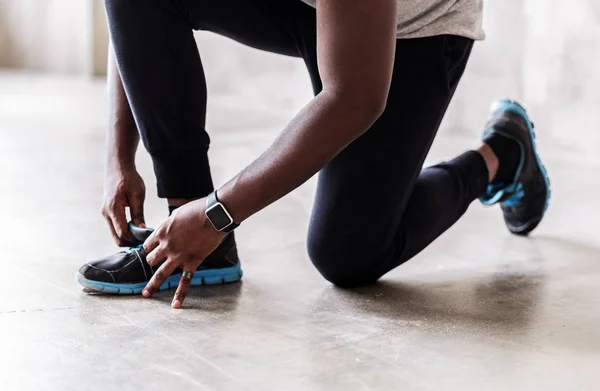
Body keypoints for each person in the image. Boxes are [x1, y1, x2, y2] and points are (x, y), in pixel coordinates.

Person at [77, 0, 551, 308]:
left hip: (414, 30)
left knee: (346, 255)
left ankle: (500, 157)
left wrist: (219, 213)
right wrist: (118, 154)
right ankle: (190, 241)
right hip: (316, 9)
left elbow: (355, 98)